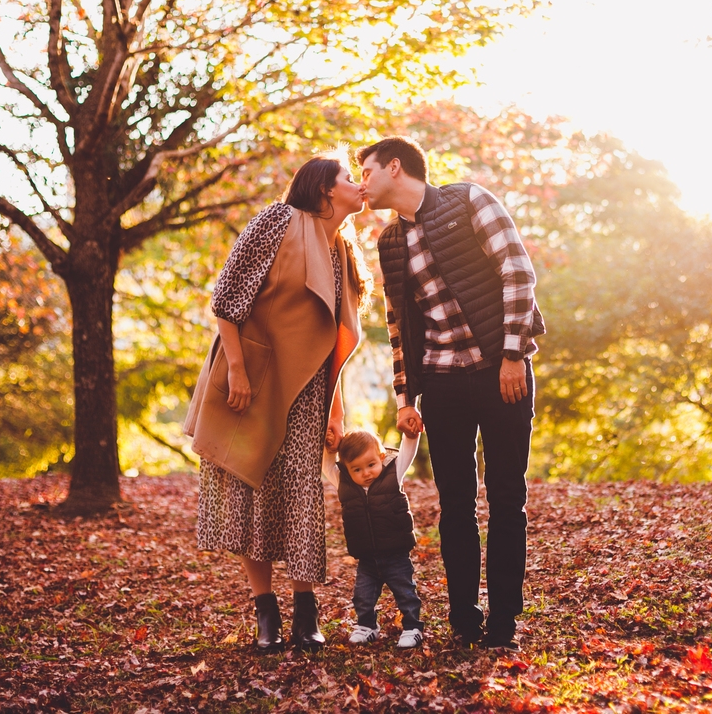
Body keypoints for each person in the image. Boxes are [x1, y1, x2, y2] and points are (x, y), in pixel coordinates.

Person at [357, 136, 546, 650]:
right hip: (441, 382)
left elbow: (517, 272)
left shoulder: (469, 200)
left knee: (507, 497)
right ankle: (464, 619)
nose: (362, 182)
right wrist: (405, 399)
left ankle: (503, 622)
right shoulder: (389, 241)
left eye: (367, 170)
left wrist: (512, 355)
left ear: (395, 167)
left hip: (502, 371)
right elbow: (399, 325)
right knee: (455, 503)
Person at [183, 149, 369, 652]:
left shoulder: (342, 250)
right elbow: (227, 299)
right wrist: (238, 371)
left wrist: (335, 407)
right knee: (252, 491)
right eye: (349, 176)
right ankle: (265, 612)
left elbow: (330, 342)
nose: (359, 184)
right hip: (253, 380)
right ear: (325, 188)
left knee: (302, 495)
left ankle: (306, 613)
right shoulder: (276, 221)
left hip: (308, 395)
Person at [322, 429, 424, 649]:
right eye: (357, 469)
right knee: (362, 597)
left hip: (396, 554)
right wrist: (329, 449)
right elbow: (327, 466)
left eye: (370, 465)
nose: (366, 473)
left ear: (381, 457)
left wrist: (411, 435)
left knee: (406, 593)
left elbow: (407, 451)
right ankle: (367, 627)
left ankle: (412, 627)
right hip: (367, 558)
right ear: (347, 469)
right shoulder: (345, 483)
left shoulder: (393, 473)